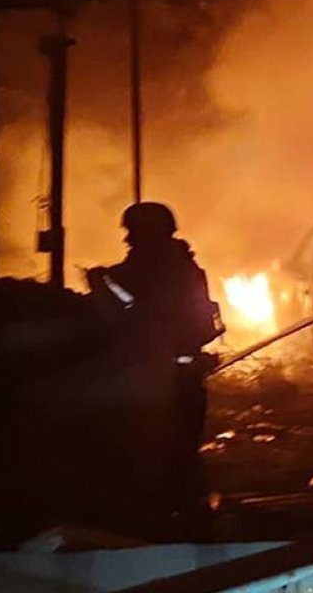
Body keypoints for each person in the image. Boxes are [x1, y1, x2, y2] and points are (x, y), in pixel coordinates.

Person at [86, 202, 223, 531]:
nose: (127, 239)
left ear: (148, 233)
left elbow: (131, 311)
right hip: (185, 378)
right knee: (183, 452)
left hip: (158, 379)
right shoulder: (186, 267)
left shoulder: (147, 270)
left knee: (155, 450)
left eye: (132, 232)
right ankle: (191, 520)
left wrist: (99, 281)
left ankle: (163, 526)